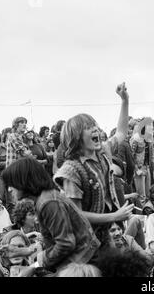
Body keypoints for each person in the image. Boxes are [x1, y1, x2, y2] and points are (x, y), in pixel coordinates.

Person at [53, 83, 135, 249]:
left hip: (107, 233)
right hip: (87, 243)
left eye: (95, 126)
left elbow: (121, 132)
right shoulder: (71, 170)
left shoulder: (103, 150)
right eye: (89, 128)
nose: (96, 130)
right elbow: (76, 215)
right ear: (76, 138)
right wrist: (114, 216)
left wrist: (125, 100)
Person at [1, 158, 100, 273]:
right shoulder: (45, 199)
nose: (9, 189)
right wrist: (23, 251)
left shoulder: (48, 203)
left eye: (11, 184)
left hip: (83, 263)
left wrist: (33, 267)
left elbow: (65, 244)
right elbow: (55, 239)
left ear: (23, 181)